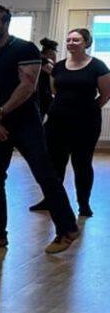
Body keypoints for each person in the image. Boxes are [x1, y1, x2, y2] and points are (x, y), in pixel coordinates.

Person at [0, 5, 78, 254]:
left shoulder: (24, 48)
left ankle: (67, 229)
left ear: (6, 24)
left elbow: (27, 86)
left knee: (45, 175)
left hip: (25, 123)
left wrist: (0, 113)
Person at [46, 26, 110, 220]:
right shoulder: (59, 66)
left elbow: (105, 94)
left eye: (76, 40)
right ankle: (54, 201)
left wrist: (88, 110)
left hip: (85, 123)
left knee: (81, 164)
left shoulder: (98, 66)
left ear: (86, 43)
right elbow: (55, 91)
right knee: (56, 163)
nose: (71, 43)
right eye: (69, 40)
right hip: (58, 121)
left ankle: (83, 204)